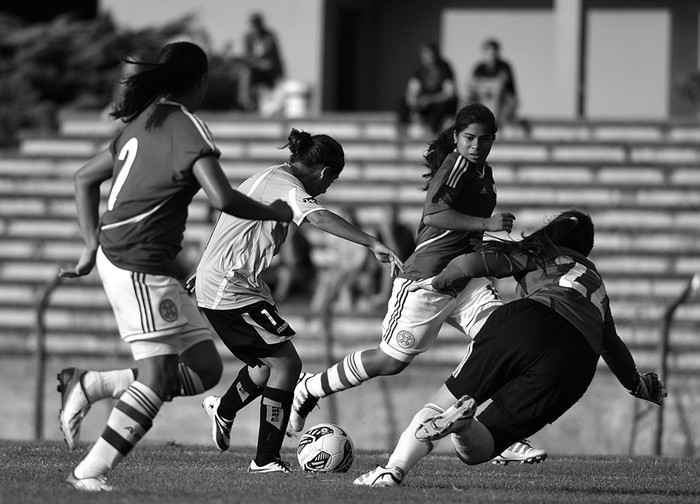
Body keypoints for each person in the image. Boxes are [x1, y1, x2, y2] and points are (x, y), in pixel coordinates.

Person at [55, 41, 293, 492]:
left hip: (134, 257)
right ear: (200, 81)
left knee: (204, 369)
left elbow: (83, 176)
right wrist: (277, 212)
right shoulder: (185, 126)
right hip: (136, 259)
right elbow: (222, 198)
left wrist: (89, 246)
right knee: (160, 374)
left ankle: (87, 384)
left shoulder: (140, 121)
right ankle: (90, 472)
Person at [291, 103, 543, 464]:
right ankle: (309, 387)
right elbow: (435, 214)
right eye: (469, 138)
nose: (476, 145)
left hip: (466, 281)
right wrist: (486, 225)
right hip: (426, 281)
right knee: (390, 361)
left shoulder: (483, 172)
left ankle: (502, 436)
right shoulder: (455, 166)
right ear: (457, 137)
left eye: (484, 140)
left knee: (505, 346)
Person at [354, 209, 668, 486]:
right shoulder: (596, 286)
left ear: (553, 233)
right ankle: (463, 425)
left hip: (531, 320)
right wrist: (638, 385)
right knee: (482, 448)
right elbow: (611, 344)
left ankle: (392, 471)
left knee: (442, 401)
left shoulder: (543, 252)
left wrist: (439, 282)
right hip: (577, 361)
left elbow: (472, 263)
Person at [194, 129, 403, 474]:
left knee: (266, 366)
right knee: (287, 365)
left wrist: (204, 265)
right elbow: (318, 217)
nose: (325, 190)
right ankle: (264, 459)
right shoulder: (288, 186)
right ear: (324, 173)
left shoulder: (267, 176)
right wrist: (371, 243)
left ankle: (224, 409)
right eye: (331, 182)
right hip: (230, 287)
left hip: (235, 283)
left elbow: (230, 220)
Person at [398, 42, 459, 136]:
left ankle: (432, 131)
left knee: (441, 105)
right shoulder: (419, 70)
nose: (428, 59)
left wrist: (430, 99)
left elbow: (449, 93)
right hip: (425, 103)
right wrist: (414, 103)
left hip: (440, 103)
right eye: (425, 56)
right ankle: (403, 130)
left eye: (430, 55)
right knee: (402, 102)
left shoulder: (444, 68)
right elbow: (412, 90)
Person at [237, 12, 285, 112]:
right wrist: (259, 63)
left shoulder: (269, 36)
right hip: (255, 69)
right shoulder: (248, 37)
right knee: (245, 73)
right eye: (254, 24)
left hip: (269, 71)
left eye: (257, 24)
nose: (256, 27)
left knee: (271, 72)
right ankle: (245, 104)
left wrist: (280, 72)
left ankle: (273, 106)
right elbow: (248, 57)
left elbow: (274, 56)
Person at [467, 38, 518, 125]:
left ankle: (493, 122)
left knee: (494, 96)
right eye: (488, 53)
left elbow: (500, 86)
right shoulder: (480, 67)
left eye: (493, 53)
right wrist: (488, 87)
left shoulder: (504, 66)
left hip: (504, 101)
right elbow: (471, 85)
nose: (491, 56)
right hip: (483, 97)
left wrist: (484, 85)